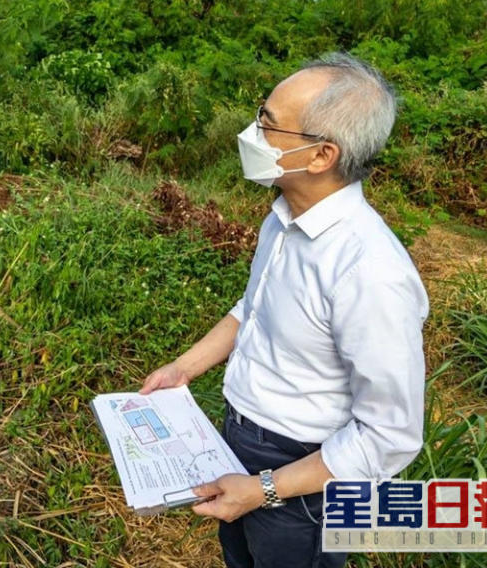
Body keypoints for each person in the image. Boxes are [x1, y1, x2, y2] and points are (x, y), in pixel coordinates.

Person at [139, 52, 429, 568]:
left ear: (321, 156)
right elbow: (253, 307)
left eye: (268, 124)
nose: (252, 133)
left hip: (307, 479)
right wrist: (184, 368)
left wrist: (266, 489)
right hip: (239, 441)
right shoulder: (284, 217)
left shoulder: (370, 271)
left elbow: (388, 434)